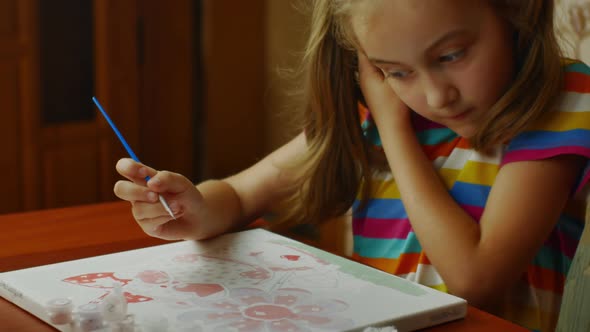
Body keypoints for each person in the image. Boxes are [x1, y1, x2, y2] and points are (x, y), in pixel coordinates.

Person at [114, 1, 590, 331]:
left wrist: (393, 128)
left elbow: (475, 278)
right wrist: (189, 205)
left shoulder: (560, 99)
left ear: (512, 11)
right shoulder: (380, 116)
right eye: (396, 71)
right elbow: (239, 196)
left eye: (451, 55)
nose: (434, 95)